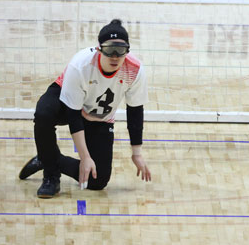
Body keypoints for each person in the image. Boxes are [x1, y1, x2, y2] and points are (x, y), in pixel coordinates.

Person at [18, 19, 151, 198]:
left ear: (127, 51)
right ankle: (51, 176)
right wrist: (85, 157)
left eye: (120, 51)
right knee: (44, 113)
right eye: (109, 49)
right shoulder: (80, 65)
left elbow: (135, 112)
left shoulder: (135, 71)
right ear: (98, 49)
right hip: (68, 104)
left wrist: (137, 153)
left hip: (99, 116)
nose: (114, 56)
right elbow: (73, 116)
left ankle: (46, 157)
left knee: (98, 181)